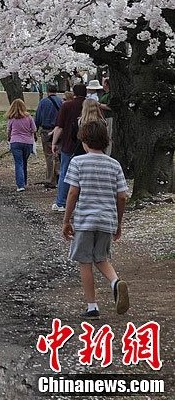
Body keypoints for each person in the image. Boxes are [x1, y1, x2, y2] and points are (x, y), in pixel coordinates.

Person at [61, 121, 130, 318]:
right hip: (107, 220)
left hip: (85, 220)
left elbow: (73, 192)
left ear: (84, 141)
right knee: (101, 258)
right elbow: (122, 196)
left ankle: (92, 306)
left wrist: (67, 220)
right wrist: (118, 222)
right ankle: (116, 282)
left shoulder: (78, 162)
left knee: (85, 262)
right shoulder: (114, 164)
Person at [51, 83, 87, 212]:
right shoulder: (91, 106)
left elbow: (59, 126)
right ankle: (80, 202)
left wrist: (54, 143)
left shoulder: (67, 105)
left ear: (74, 92)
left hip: (69, 144)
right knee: (84, 175)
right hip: (86, 145)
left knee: (65, 173)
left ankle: (61, 202)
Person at [34, 85, 63, 188]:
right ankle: (59, 176)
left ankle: (50, 179)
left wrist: (35, 130)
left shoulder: (43, 102)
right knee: (58, 154)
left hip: (46, 130)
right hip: (59, 130)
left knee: (49, 155)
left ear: (47, 91)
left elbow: (37, 117)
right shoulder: (61, 102)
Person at [6, 98, 36, 192]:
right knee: (24, 162)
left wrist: (9, 138)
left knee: (18, 163)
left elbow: (9, 131)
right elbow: (34, 129)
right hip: (27, 142)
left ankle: (20, 185)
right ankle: (24, 181)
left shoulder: (12, 118)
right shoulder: (29, 117)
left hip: (15, 141)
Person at [98, 77, 114, 155]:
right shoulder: (104, 94)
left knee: (109, 136)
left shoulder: (110, 94)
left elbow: (110, 107)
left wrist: (99, 104)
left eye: (104, 83)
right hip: (103, 117)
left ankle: (108, 153)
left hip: (109, 117)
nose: (102, 85)